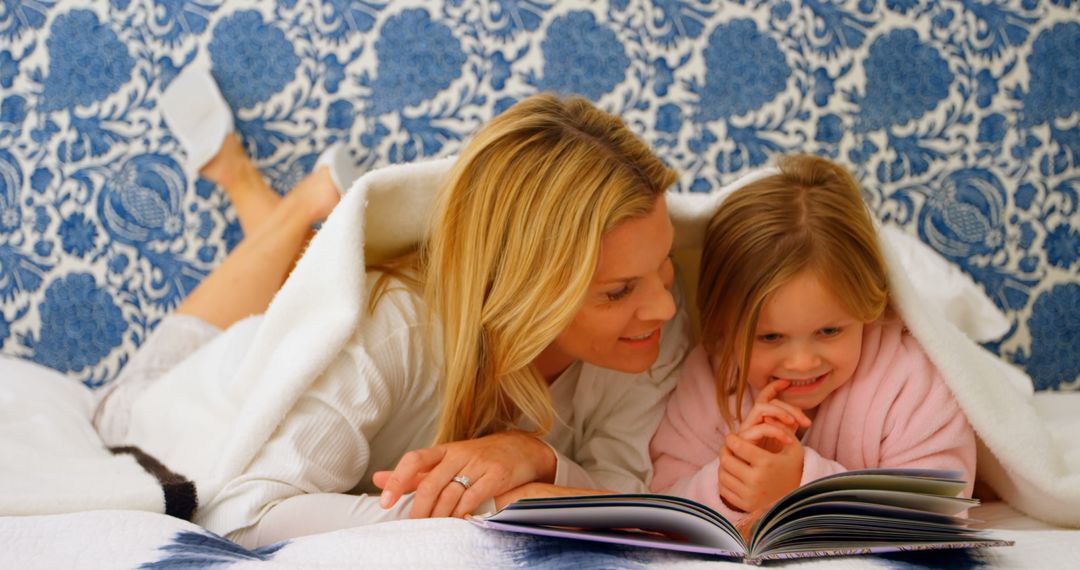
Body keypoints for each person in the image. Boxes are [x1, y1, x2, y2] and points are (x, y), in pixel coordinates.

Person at [94, 80, 691, 548]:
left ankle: (296, 214)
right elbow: (243, 515)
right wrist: (480, 511)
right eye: (618, 291)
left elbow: (624, 493)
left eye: (664, 263)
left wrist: (535, 458)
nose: (663, 305)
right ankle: (259, 186)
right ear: (521, 291)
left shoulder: (653, 332)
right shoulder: (395, 330)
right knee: (127, 395)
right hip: (205, 387)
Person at [648, 154, 976, 526]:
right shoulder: (712, 376)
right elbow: (662, 499)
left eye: (830, 331)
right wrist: (727, 485)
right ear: (722, 326)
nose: (802, 362)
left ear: (871, 307)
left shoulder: (906, 378)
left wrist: (802, 487)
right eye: (770, 336)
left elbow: (943, 505)